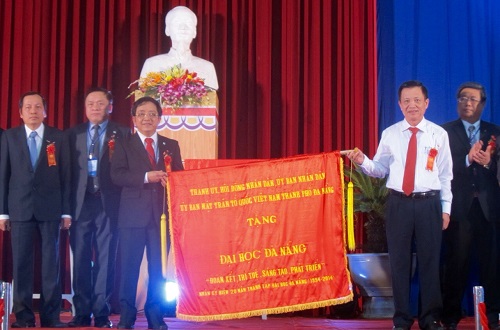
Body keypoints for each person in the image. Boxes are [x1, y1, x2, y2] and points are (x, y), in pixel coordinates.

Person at [347, 80, 453, 330]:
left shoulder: (439, 134)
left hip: (429, 205)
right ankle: (402, 320)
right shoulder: (390, 134)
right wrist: (363, 160)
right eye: (406, 101)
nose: (411, 105)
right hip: (398, 205)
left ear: (426, 104)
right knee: (399, 263)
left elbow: (446, 175)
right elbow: (380, 169)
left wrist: (446, 209)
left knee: (430, 263)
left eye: (417, 100)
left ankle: (430, 319)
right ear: (399, 104)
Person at [111, 97, 184, 329]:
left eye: (152, 114)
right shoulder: (123, 144)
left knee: (158, 270)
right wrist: (146, 177)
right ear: (134, 119)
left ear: (160, 118)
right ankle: (127, 317)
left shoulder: (170, 145)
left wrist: (171, 181)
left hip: (161, 217)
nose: (147, 118)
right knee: (129, 268)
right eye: (141, 114)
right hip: (132, 216)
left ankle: (155, 316)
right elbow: (117, 175)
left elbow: (179, 177)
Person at [0, 92, 71, 328]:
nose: (33, 111)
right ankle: (23, 318)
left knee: (51, 265)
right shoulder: (9, 136)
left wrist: (66, 212)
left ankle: (51, 317)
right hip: (19, 209)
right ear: (20, 113)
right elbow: (3, 176)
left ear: (45, 111)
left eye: (37, 106)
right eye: (28, 107)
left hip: (50, 210)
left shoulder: (57, 137)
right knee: (21, 265)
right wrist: (3, 213)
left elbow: (66, 177)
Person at [65, 87, 130, 328]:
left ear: (109, 107)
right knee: (80, 259)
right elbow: (67, 174)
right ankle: (81, 313)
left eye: (100, 103)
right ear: (85, 107)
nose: (94, 107)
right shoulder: (72, 134)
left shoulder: (122, 132)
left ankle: (101, 314)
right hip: (80, 204)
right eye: (90, 103)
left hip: (108, 204)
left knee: (106, 259)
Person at [440, 82, 500, 330]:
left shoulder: (495, 131)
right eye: (463, 98)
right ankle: (451, 316)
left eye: (473, 99)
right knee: (456, 262)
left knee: (492, 264)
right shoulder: (444, 132)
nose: (467, 103)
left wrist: (488, 163)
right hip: (460, 207)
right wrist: (466, 159)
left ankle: (495, 315)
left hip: (489, 208)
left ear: (482, 104)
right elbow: (439, 168)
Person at [140, 5, 219, 90]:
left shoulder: (207, 67)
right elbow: (144, 99)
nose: (183, 28)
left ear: (195, 32)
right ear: (167, 30)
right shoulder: (152, 64)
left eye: (188, 23)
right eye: (177, 22)